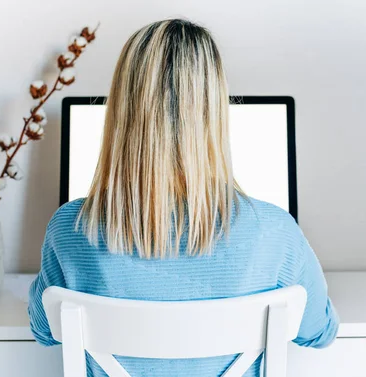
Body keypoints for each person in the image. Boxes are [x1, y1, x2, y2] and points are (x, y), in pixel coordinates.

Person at [28, 18, 338, 377]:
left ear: (121, 111)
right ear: (216, 111)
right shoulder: (275, 232)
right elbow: (320, 332)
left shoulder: (70, 227)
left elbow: (43, 329)